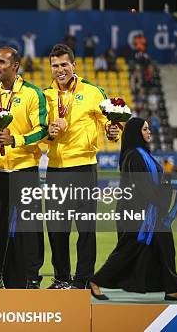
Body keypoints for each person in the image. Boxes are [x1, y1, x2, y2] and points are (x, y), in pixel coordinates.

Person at [89, 118, 177, 301]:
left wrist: (169, 185)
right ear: (136, 132)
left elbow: (150, 184)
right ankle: (95, 281)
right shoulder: (134, 156)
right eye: (145, 129)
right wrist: (170, 188)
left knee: (164, 247)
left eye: (148, 129)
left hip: (148, 211)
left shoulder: (142, 154)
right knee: (128, 250)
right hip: (137, 214)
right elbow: (142, 188)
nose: (149, 132)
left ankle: (171, 289)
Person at [43, 44, 119, 290]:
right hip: (55, 167)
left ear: (74, 65)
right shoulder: (45, 95)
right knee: (57, 229)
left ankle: (83, 279)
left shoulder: (93, 91)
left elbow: (111, 126)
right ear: (51, 68)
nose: (60, 69)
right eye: (55, 65)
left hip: (85, 167)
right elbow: (40, 134)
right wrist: (50, 134)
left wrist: (113, 132)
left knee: (85, 228)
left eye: (64, 64)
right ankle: (61, 278)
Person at [0, 46, 48, 289]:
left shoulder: (32, 93)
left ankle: (32, 278)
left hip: (25, 170)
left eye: (1, 62)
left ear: (15, 66)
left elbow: (42, 129)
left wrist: (16, 140)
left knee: (29, 229)